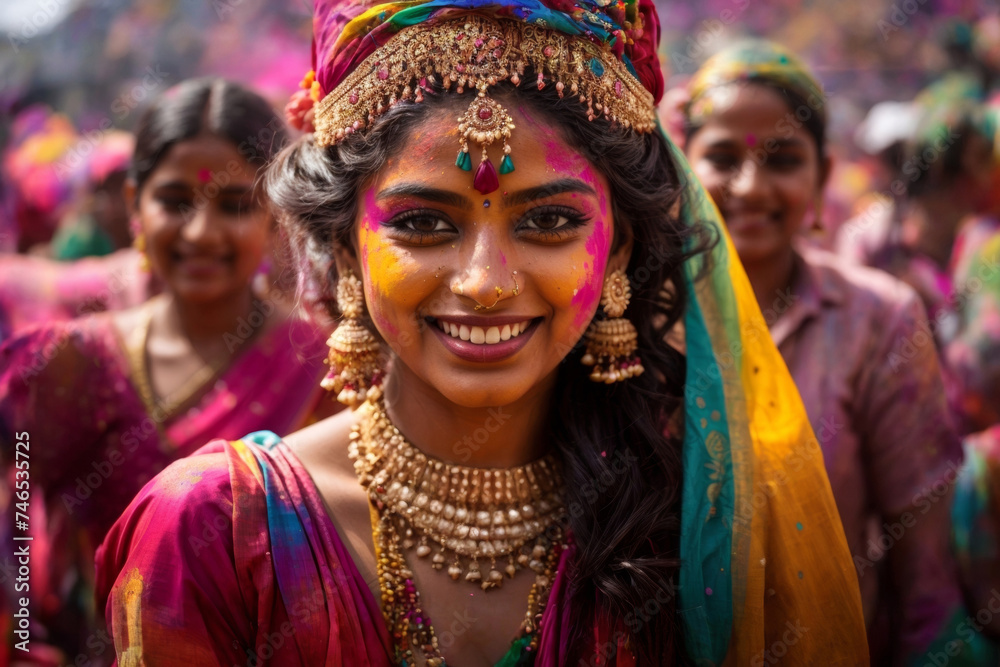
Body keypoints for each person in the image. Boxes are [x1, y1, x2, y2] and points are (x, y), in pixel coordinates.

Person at [95, 3, 868, 665]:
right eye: (424, 223)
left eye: (551, 221)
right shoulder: (211, 534)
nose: (486, 280)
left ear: (621, 248)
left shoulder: (694, 523)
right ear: (343, 248)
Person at [683, 39, 994, 664]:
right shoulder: (631, 315)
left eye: (782, 159)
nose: (749, 186)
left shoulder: (876, 319)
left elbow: (925, 585)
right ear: (682, 171)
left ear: (823, 175)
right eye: (721, 157)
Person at [0, 78, 331, 666]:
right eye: (177, 201)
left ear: (275, 214)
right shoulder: (65, 367)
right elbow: (15, 533)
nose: (201, 233)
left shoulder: (326, 370)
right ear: (134, 205)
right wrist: (26, 643)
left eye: (233, 205)